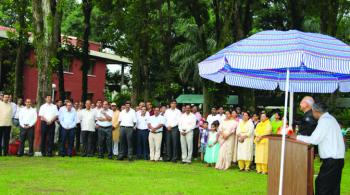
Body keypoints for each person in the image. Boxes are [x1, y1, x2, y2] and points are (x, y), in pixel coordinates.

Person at [291, 102, 345, 195]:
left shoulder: (324, 121)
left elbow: (313, 140)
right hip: (337, 159)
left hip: (332, 160)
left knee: (322, 187)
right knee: (333, 188)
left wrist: (297, 137)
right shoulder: (331, 119)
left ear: (315, 111)